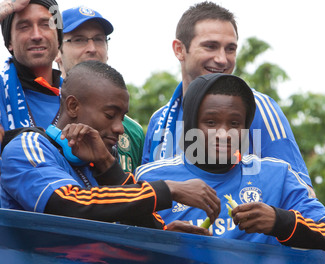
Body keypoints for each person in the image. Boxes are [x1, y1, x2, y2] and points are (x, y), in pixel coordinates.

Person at [136, 73, 325, 264]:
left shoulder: (277, 175)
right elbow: (122, 255)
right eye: (211, 122)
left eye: (235, 123)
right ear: (191, 125)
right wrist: (164, 239)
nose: (224, 134)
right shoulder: (152, 178)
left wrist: (280, 221)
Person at [1, 61, 220, 236]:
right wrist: (169, 189)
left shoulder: (97, 161)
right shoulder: (28, 146)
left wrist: (107, 166)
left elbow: (148, 222)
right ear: (73, 106)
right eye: (109, 115)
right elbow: (68, 204)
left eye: (122, 117)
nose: (119, 128)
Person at [142, 1, 314, 193]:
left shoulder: (259, 107)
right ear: (179, 50)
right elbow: (147, 196)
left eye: (230, 49)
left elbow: (301, 193)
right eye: (210, 46)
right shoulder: (160, 120)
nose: (222, 59)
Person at [55, 5, 144, 173]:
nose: (92, 48)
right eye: (79, 39)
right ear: (56, 51)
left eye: (98, 39)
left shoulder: (133, 130)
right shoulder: (41, 115)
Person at [0, 0, 63, 131]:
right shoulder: (2, 91)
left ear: (58, 37)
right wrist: (6, 8)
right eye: (24, 27)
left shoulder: (78, 97)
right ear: (9, 41)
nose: (36, 35)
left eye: (46, 25)